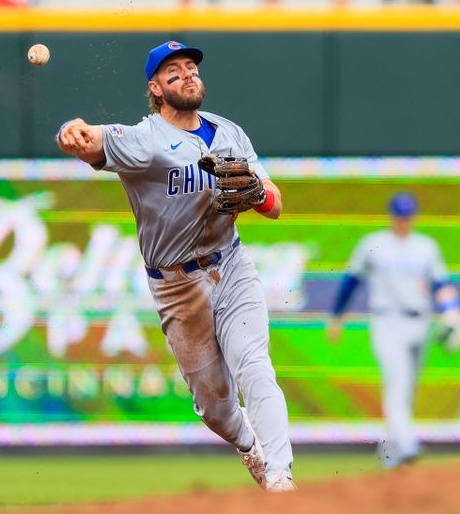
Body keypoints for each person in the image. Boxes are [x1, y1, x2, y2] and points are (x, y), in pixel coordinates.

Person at [55, 40, 296, 493]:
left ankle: (281, 477)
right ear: (157, 89)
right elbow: (91, 139)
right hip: (178, 285)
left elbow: (275, 204)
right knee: (216, 407)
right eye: (174, 72)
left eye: (191, 67)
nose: (187, 74)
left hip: (232, 265)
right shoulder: (145, 140)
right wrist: (70, 129)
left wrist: (258, 195)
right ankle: (251, 448)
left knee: (255, 365)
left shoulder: (229, 132)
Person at [326, 192, 460, 469]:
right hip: (386, 322)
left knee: (407, 390)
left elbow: (441, 284)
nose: (404, 221)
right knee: (397, 383)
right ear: (391, 215)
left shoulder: (426, 247)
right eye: (400, 215)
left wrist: (453, 313)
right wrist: (336, 316)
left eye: (408, 216)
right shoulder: (374, 244)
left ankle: (390, 454)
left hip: (420, 322)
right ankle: (408, 446)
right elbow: (351, 281)